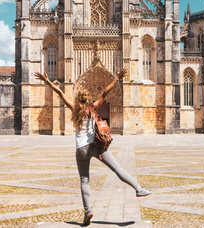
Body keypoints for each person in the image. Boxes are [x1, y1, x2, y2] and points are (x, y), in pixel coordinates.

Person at [35, 69, 151, 226]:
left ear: (77, 98)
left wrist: (47, 81)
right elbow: (105, 93)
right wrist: (117, 78)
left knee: (84, 180)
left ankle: (87, 211)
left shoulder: (74, 108)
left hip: (81, 149)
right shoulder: (93, 108)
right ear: (88, 98)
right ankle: (138, 188)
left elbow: (60, 94)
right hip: (96, 146)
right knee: (117, 168)